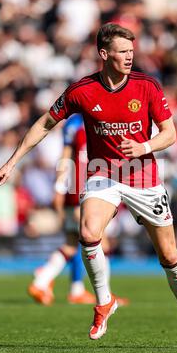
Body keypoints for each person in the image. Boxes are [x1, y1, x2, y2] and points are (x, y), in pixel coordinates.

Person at [0, 23, 177, 349]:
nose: (130, 57)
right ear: (104, 54)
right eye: (122, 52)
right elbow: (45, 123)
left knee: (169, 255)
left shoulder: (147, 86)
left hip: (142, 176)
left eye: (132, 51)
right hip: (102, 173)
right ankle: (104, 302)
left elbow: (170, 134)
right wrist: (11, 161)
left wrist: (145, 147)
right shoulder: (82, 91)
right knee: (88, 234)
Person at [28, 113, 129, 306]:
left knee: (72, 243)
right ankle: (105, 296)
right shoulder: (97, 122)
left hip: (75, 190)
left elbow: (66, 157)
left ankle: (53, 282)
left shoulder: (74, 123)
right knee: (102, 243)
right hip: (86, 190)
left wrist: (59, 188)